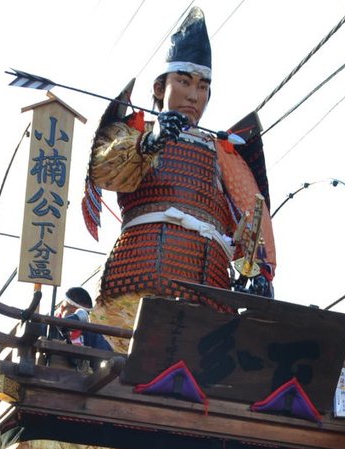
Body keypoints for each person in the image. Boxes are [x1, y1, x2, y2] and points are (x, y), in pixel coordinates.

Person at [85, 7, 276, 347]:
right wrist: (152, 140)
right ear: (160, 87)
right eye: (184, 82)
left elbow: (254, 214)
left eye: (202, 87)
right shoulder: (135, 131)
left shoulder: (222, 149)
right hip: (137, 279)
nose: (193, 95)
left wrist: (259, 270)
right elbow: (104, 169)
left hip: (209, 293)